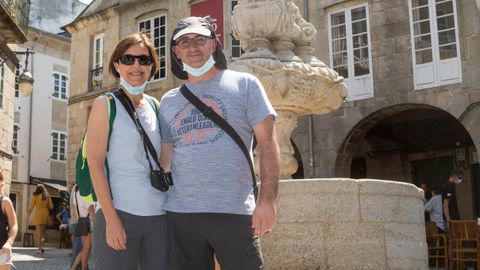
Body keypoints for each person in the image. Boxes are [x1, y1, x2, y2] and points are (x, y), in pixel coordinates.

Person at [159, 16, 280, 270]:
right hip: (181, 216)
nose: (193, 47)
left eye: (199, 39)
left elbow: (268, 146)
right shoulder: (168, 101)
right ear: (176, 51)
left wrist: (267, 201)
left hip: (234, 212)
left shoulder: (245, 85)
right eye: (185, 42)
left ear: (213, 44)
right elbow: (166, 160)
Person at [88, 33, 168, 270]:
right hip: (120, 213)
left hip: (159, 216)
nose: (136, 65)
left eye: (144, 60)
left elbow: (164, 159)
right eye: (128, 59)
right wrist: (111, 219)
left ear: (152, 66)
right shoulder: (106, 104)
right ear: (116, 64)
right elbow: (95, 163)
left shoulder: (156, 105)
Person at [71, 187, 95, 270]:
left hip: (80, 220)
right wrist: (96, 221)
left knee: (86, 248)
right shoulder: (84, 191)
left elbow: (74, 207)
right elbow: (90, 209)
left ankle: (76, 268)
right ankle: (79, 268)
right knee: (87, 248)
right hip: (87, 220)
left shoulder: (75, 191)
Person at [26, 184, 53, 253]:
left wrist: (28, 216)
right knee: (43, 232)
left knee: (39, 233)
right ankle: (43, 246)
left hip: (39, 214)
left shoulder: (35, 196)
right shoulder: (47, 196)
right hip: (45, 214)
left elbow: (31, 207)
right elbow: (51, 207)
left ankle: (39, 248)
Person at [0, 171, 18, 270]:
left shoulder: (5, 202)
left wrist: (9, 243)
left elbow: (14, 224)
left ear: (1, 183)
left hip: (2, 250)